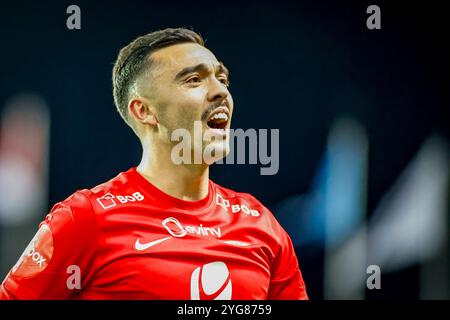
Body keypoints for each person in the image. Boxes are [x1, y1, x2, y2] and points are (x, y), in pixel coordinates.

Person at [0, 28, 308, 300]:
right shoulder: (85, 218)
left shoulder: (261, 225)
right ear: (144, 111)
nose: (221, 91)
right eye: (194, 79)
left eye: (222, 78)